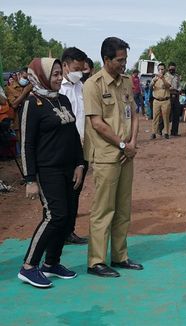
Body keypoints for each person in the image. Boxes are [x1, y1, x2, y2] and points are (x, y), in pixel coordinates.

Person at [17, 57, 84, 288]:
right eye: (54, 74)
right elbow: (26, 144)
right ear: (42, 76)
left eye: (59, 73)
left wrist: (79, 164)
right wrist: (29, 179)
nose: (58, 78)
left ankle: (51, 263)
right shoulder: (31, 104)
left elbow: (73, 135)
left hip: (69, 169)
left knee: (66, 218)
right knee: (54, 216)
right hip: (48, 171)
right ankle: (28, 267)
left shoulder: (62, 99)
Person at [83, 37, 143, 278]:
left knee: (122, 208)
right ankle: (96, 261)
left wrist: (133, 144)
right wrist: (122, 144)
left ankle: (120, 256)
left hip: (126, 155)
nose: (124, 64)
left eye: (125, 59)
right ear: (106, 59)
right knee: (103, 209)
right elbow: (97, 123)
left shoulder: (126, 82)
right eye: (120, 60)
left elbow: (135, 115)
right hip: (107, 156)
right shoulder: (93, 85)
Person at [59, 47, 89, 245]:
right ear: (65, 66)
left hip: (81, 149)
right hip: (61, 150)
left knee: (75, 191)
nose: (79, 73)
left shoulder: (81, 87)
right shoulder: (57, 89)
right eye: (76, 68)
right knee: (59, 194)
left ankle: (69, 231)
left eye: (82, 69)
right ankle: (56, 233)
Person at [6, 67, 32, 154]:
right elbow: (14, 104)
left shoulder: (32, 86)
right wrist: (25, 92)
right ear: (19, 75)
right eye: (24, 78)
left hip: (32, 118)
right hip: (19, 119)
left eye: (28, 78)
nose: (26, 80)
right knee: (22, 145)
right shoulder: (10, 88)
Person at [150, 63, 171, 139]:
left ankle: (166, 132)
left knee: (166, 117)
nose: (161, 70)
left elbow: (168, 86)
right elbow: (150, 87)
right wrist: (153, 82)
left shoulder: (168, 77)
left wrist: (163, 79)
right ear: (157, 69)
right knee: (155, 117)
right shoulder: (155, 77)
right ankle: (153, 133)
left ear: (165, 69)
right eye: (159, 69)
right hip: (156, 100)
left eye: (162, 69)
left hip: (165, 100)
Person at [167, 62, 182, 136]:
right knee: (166, 114)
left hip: (176, 96)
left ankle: (174, 132)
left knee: (176, 114)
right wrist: (170, 88)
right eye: (171, 69)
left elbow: (179, 85)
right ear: (168, 68)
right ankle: (160, 130)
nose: (172, 70)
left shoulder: (177, 76)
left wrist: (178, 89)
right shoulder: (165, 76)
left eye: (173, 69)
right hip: (167, 96)